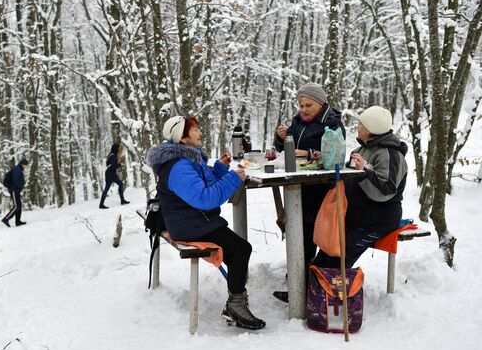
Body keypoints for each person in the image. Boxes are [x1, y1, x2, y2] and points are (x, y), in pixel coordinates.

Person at [146, 115, 266, 330]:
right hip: (190, 225)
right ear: (182, 138)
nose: (200, 133)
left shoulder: (187, 160)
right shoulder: (179, 166)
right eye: (194, 130)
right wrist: (232, 178)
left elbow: (198, 183)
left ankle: (237, 297)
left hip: (196, 220)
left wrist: (219, 170)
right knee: (240, 249)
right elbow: (204, 199)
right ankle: (236, 305)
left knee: (237, 250)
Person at [272, 83, 346, 302]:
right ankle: (299, 282)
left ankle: (305, 286)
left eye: (308, 105)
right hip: (299, 185)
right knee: (297, 230)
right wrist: (281, 137)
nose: (303, 109)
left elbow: (336, 154)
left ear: (320, 103)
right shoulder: (297, 122)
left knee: (309, 233)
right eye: (301, 105)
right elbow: (284, 149)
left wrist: (308, 152)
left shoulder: (332, 123)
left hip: (321, 188)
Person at [312, 106, 408, 268]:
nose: (358, 127)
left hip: (377, 221)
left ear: (372, 129)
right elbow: (345, 174)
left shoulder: (391, 154)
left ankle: (329, 291)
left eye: (361, 125)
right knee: (326, 251)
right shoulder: (360, 150)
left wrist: (364, 170)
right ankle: (309, 290)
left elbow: (385, 191)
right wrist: (326, 157)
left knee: (338, 256)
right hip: (356, 218)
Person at [99, 142, 130, 209]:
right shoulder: (113, 156)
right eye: (118, 148)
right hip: (111, 174)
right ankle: (102, 204)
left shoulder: (111, 154)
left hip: (110, 173)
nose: (119, 149)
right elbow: (113, 166)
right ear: (116, 149)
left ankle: (122, 201)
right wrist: (119, 165)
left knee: (118, 184)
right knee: (111, 187)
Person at [2, 158, 29, 227]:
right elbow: (15, 180)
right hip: (14, 189)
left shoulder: (19, 169)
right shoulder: (17, 169)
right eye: (26, 165)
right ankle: (6, 219)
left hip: (16, 190)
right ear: (23, 164)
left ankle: (18, 221)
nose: (26, 167)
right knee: (16, 206)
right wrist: (19, 187)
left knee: (19, 205)